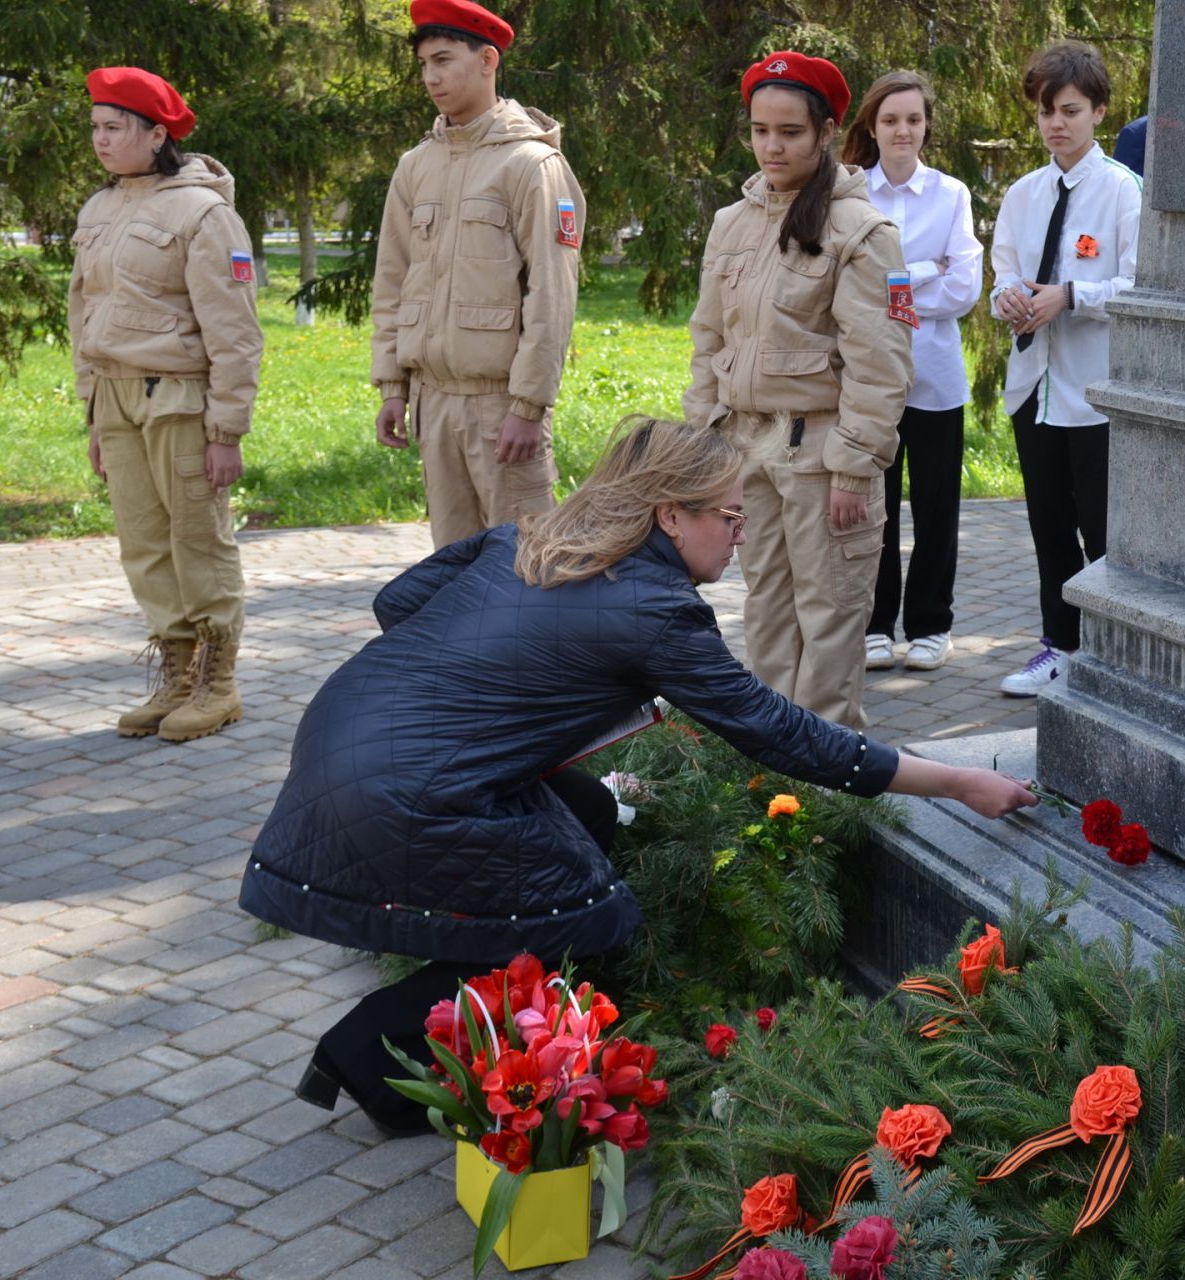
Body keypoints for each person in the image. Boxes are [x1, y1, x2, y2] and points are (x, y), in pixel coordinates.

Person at [240, 418, 1035, 1130]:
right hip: (409, 793)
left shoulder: (525, 540)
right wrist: (957, 780)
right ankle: (370, 1051)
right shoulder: (657, 610)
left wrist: (486, 698)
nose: (744, 535)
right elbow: (782, 736)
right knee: (590, 916)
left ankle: (468, 993)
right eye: (729, 516)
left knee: (584, 816)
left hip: (340, 736)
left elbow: (395, 602)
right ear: (669, 516)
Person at [683, 51, 914, 728]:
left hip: (823, 456)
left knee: (831, 616)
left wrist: (854, 465)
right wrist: (704, 444)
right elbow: (707, 341)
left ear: (825, 133)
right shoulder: (733, 222)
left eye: (789, 131)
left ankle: (827, 786)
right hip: (746, 450)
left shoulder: (862, 233)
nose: (772, 146)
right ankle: (773, 773)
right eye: (760, 130)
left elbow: (881, 362)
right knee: (767, 609)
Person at [71, 67, 263, 742]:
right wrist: (94, 412)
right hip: (118, 398)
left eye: (114, 127)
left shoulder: (203, 213)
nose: (100, 140)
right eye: (95, 127)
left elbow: (234, 332)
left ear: (157, 134)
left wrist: (227, 429)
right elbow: (83, 315)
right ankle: (178, 675)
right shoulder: (97, 210)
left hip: (179, 401)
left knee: (197, 542)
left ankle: (219, 682)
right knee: (144, 546)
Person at [370, 0, 586, 549]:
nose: (431, 77)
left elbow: (551, 295)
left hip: (501, 406)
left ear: (488, 59)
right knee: (453, 571)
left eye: (443, 60)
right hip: (433, 403)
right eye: (423, 64)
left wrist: (528, 405)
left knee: (527, 566)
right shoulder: (415, 166)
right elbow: (392, 281)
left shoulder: (530, 164)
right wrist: (392, 386)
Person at [989, 42, 1141, 697]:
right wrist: (1012, 300)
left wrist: (1072, 296)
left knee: (1103, 532)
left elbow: (1140, 286)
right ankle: (1058, 647)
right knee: (1049, 526)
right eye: (1046, 111)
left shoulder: (1124, 192)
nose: (1057, 123)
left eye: (1071, 111)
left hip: (1096, 392)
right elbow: (1001, 275)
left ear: (1099, 111)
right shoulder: (1024, 194)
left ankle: (1113, 657)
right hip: (1036, 387)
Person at [840, 71, 983, 674]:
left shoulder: (950, 195)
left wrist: (897, 286)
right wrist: (926, 271)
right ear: (872, 126)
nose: (903, 130)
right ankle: (875, 623)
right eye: (891, 119)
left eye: (914, 120)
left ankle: (931, 624)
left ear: (927, 126)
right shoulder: (851, 197)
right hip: (868, 378)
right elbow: (845, 286)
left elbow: (966, 287)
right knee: (877, 506)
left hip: (935, 377)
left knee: (935, 506)